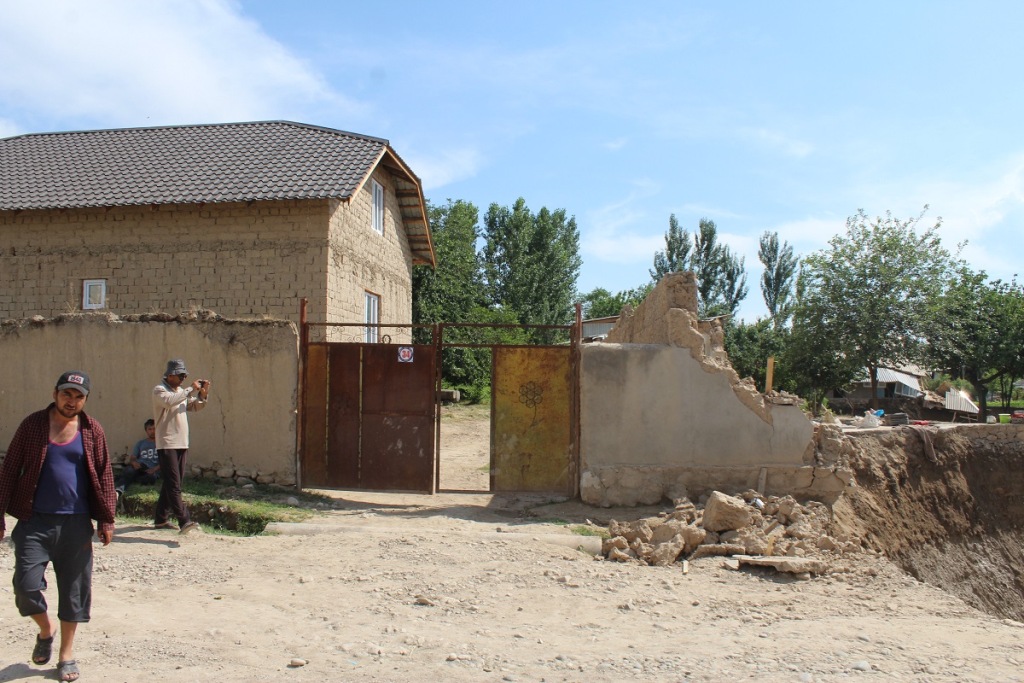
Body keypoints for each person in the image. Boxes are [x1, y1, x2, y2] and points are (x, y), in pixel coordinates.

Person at [0, 371, 116, 683]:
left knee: (74, 591)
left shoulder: (92, 430)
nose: (72, 401)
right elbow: (9, 470)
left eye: (79, 396)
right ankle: (46, 629)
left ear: (85, 399)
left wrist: (106, 519)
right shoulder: (32, 425)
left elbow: (104, 474)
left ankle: (66, 655)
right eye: (67, 394)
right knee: (25, 586)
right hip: (34, 521)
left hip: (76, 523)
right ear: (55, 394)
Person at [152, 359, 209, 534]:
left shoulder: (181, 392)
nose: (183, 378)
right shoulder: (160, 390)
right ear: (170, 375)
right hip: (167, 442)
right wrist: (190, 389)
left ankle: (160, 519)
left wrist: (203, 395)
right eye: (181, 375)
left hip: (182, 442)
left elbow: (194, 406)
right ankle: (184, 520)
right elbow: (170, 402)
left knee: (172, 482)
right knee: (174, 484)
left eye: (185, 375)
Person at [114, 419, 159, 501]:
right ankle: (118, 491)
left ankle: (128, 478)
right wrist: (134, 463)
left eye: (154, 429)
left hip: (151, 470)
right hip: (139, 466)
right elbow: (133, 458)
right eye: (150, 429)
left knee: (151, 478)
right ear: (146, 431)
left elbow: (165, 461)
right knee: (129, 471)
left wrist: (154, 469)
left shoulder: (161, 444)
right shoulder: (141, 443)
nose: (152, 431)